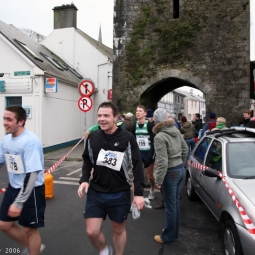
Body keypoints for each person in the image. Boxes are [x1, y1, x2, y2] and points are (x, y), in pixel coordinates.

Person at [78, 102, 145, 255]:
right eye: (99, 115)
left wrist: (139, 193)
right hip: (96, 192)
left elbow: (137, 165)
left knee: (118, 229)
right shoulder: (93, 138)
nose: (102, 119)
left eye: (106, 116)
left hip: (119, 193)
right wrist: (84, 180)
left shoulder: (127, 138)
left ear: (115, 118)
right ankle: (104, 250)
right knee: (91, 231)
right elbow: (87, 160)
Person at [0, 106, 45, 255]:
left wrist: (19, 202)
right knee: (4, 224)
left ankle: (33, 249)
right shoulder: (6, 139)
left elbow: (33, 174)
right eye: (4, 119)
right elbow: (1, 160)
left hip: (31, 190)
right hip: (13, 187)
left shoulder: (30, 142)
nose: (5, 122)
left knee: (30, 229)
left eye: (9, 119)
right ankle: (31, 247)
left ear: (21, 122)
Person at [152, 108, 188, 245]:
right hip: (179, 169)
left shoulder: (159, 137)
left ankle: (168, 236)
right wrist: (181, 163)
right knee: (175, 203)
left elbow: (163, 161)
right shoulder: (175, 130)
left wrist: (159, 180)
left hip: (170, 172)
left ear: (155, 121)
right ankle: (172, 230)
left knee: (170, 205)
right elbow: (185, 149)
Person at [132, 105, 156, 200]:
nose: (138, 112)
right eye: (137, 111)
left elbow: (154, 142)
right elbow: (132, 140)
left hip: (148, 153)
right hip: (138, 154)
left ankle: (152, 189)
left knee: (149, 176)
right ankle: (135, 198)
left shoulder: (150, 125)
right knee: (135, 177)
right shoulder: (134, 125)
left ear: (145, 113)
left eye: (140, 111)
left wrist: (151, 157)